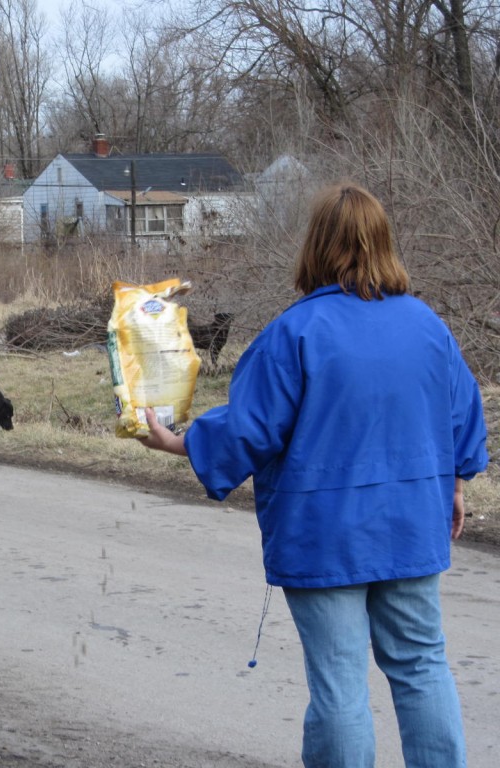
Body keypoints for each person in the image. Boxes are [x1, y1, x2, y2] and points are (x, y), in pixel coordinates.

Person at [138, 182, 488, 768]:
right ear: (383, 242)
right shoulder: (428, 326)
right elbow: (463, 414)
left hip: (323, 534)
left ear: (317, 246)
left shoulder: (296, 332)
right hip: (410, 524)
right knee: (423, 666)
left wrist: (178, 442)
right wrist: (455, 485)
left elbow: (250, 427)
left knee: (339, 682)